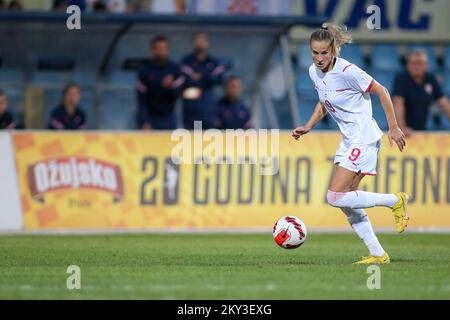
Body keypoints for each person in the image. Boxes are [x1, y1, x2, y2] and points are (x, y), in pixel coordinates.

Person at [292, 23, 409, 265]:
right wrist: (309, 124)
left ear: (333, 50)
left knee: (335, 197)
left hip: (363, 138)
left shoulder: (349, 71)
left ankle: (394, 201)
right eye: (315, 52)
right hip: (349, 140)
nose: (319, 58)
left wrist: (394, 127)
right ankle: (378, 254)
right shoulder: (314, 72)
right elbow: (323, 102)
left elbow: (383, 91)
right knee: (346, 201)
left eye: (324, 53)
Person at [392, 49, 450, 135]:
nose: (417, 67)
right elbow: (398, 103)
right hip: (403, 133)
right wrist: (402, 128)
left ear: (426, 65)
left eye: (420, 63)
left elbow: (444, 102)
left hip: (422, 130)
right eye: (413, 63)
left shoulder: (430, 79)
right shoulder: (402, 79)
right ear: (408, 64)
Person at [136, 35, 184, 130]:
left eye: (164, 49)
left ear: (168, 50)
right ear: (152, 51)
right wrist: (144, 121)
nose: (161, 52)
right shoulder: (145, 71)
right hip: (150, 117)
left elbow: (179, 94)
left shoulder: (175, 69)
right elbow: (141, 100)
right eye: (158, 49)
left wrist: (170, 87)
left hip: (168, 118)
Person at [180, 32, 226, 129]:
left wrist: (201, 76)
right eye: (197, 40)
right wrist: (208, 78)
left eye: (202, 40)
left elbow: (219, 80)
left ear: (207, 43)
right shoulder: (186, 61)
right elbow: (186, 79)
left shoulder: (213, 62)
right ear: (193, 43)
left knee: (209, 140)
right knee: (194, 141)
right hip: (192, 111)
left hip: (208, 110)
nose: (200, 43)